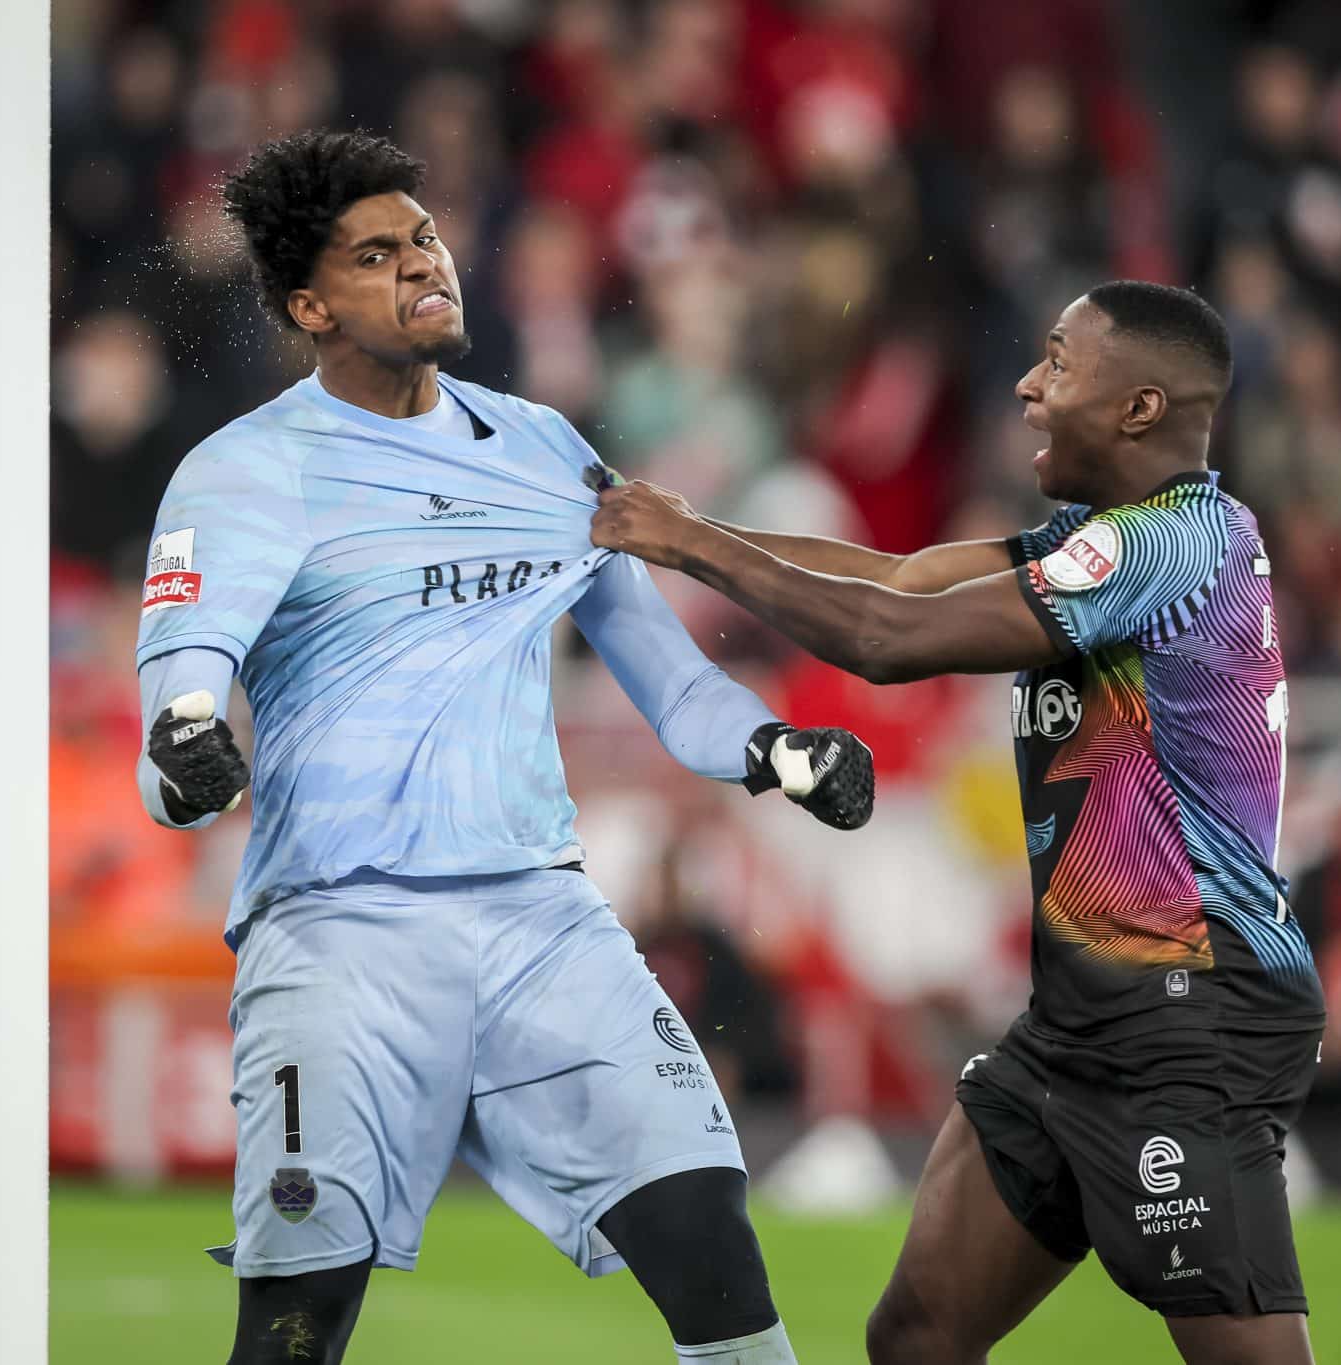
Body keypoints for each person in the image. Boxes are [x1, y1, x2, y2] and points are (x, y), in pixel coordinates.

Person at [133, 130, 874, 1365]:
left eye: (422, 238)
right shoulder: (246, 471)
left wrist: (778, 750)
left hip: (539, 918)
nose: (424, 264)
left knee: (706, 1231)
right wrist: (188, 748)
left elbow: (671, 683)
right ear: (310, 306)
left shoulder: (545, 450)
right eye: (376, 255)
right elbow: (182, 681)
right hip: (341, 931)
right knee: (298, 1322)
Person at [592, 282, 1327, 1365]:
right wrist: (675, 531)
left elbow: (890, 636)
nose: (1027, 386)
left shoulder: (1170, 544)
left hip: (1188, 1016)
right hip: (1083, 1017)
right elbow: (899, 576)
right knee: (917, 1336)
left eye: (1058, 363)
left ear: (1138, 407)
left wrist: (691, 546)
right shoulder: (1107, 539)